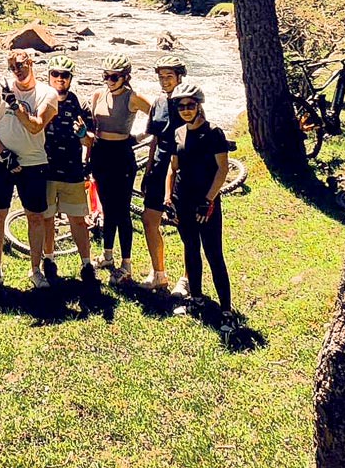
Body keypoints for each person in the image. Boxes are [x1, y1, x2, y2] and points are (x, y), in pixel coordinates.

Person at [0, 50, 58, 288]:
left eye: (21, 65)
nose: (18, 70)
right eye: (13, 67)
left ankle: (35, 270)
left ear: (31, 63)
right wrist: (4, 153)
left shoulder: (48, 93)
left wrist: (15, 105)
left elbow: (36, 127)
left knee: (35, 217)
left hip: (33, 162)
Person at [163, 83, 236, 332]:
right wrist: (167, 199)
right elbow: (173, 169)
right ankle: (195, 299)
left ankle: (227, 310)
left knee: (214, 253)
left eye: (190, 105)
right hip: (182, 200)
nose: (185, 110)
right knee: (191, 250)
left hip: (206, 203)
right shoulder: (178, 133)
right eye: (181, 106)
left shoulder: (214, 132)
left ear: (199, 106)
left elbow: (222, 169)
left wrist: (209, 199)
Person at [90, 53, 152, 285]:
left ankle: (126, 264)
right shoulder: (98, 94)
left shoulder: (132, 97)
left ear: (126, 77)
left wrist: (139, 137)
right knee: (107, 209)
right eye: (105, 76)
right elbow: (93, 127)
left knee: (122, 211)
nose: (109, 81)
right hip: (100, 154)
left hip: (122, 155)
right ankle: (107, 255)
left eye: (114, 77)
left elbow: (156, 115)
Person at [42, 55, 94, 282]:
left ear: (71, 78)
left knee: (78, 219)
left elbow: (91, 141)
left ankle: (86, 264)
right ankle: (49, 260)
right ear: (49, 76)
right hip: (45, 169)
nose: (60, 79)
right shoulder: (41, 100)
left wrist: (84, 135)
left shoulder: (78, 104)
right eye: (56, 74)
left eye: (65, 75)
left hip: (72, 169)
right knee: (47, 218)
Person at [139, 55, 188, 293]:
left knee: (185, 226)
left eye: (169, 76)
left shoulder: (189, 102)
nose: (165, 81)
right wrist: (147, 172)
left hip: (183, 170)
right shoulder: (158, 102)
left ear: (179, 77)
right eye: (161, 76)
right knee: (149, 220)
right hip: (159, 166)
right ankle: (159, 273)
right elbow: (154, 139)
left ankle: (188, 278)